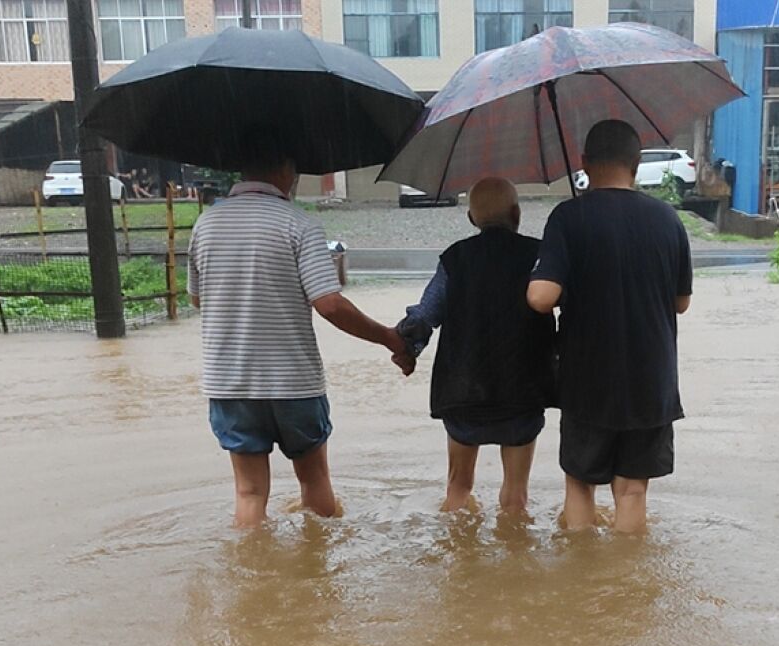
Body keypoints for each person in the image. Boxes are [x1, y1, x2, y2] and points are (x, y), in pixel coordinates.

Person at [187, 130, 412, 528]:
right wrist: (389, 337)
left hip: (231, 383)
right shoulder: (298, 224)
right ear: (285, 170)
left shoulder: (205, 224)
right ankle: (317, 579)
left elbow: (198, 300)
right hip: (293, 383)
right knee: (315, 484)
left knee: (249, 493)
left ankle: (254, 584)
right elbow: (329, 303)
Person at [527, 119, 692, 534]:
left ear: (584, 162)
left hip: (588, 380)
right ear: (637, 163)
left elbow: (540, 298)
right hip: (651, 379)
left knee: (581, 486)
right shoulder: (667, 219)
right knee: (633, 491)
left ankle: (586, 587)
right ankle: (628, 591)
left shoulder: (569, 217)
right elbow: (681, 302)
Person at [396, 178, 557, 514]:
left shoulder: (455, 259)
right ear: (517, 213)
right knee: (515, 499)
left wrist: (407, 350)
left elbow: (425, 315)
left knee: (458, 489)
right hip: (522, 392)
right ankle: (515, 562)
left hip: (462, 392)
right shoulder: (540, 257)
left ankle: (458, 560)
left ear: (471, 219)